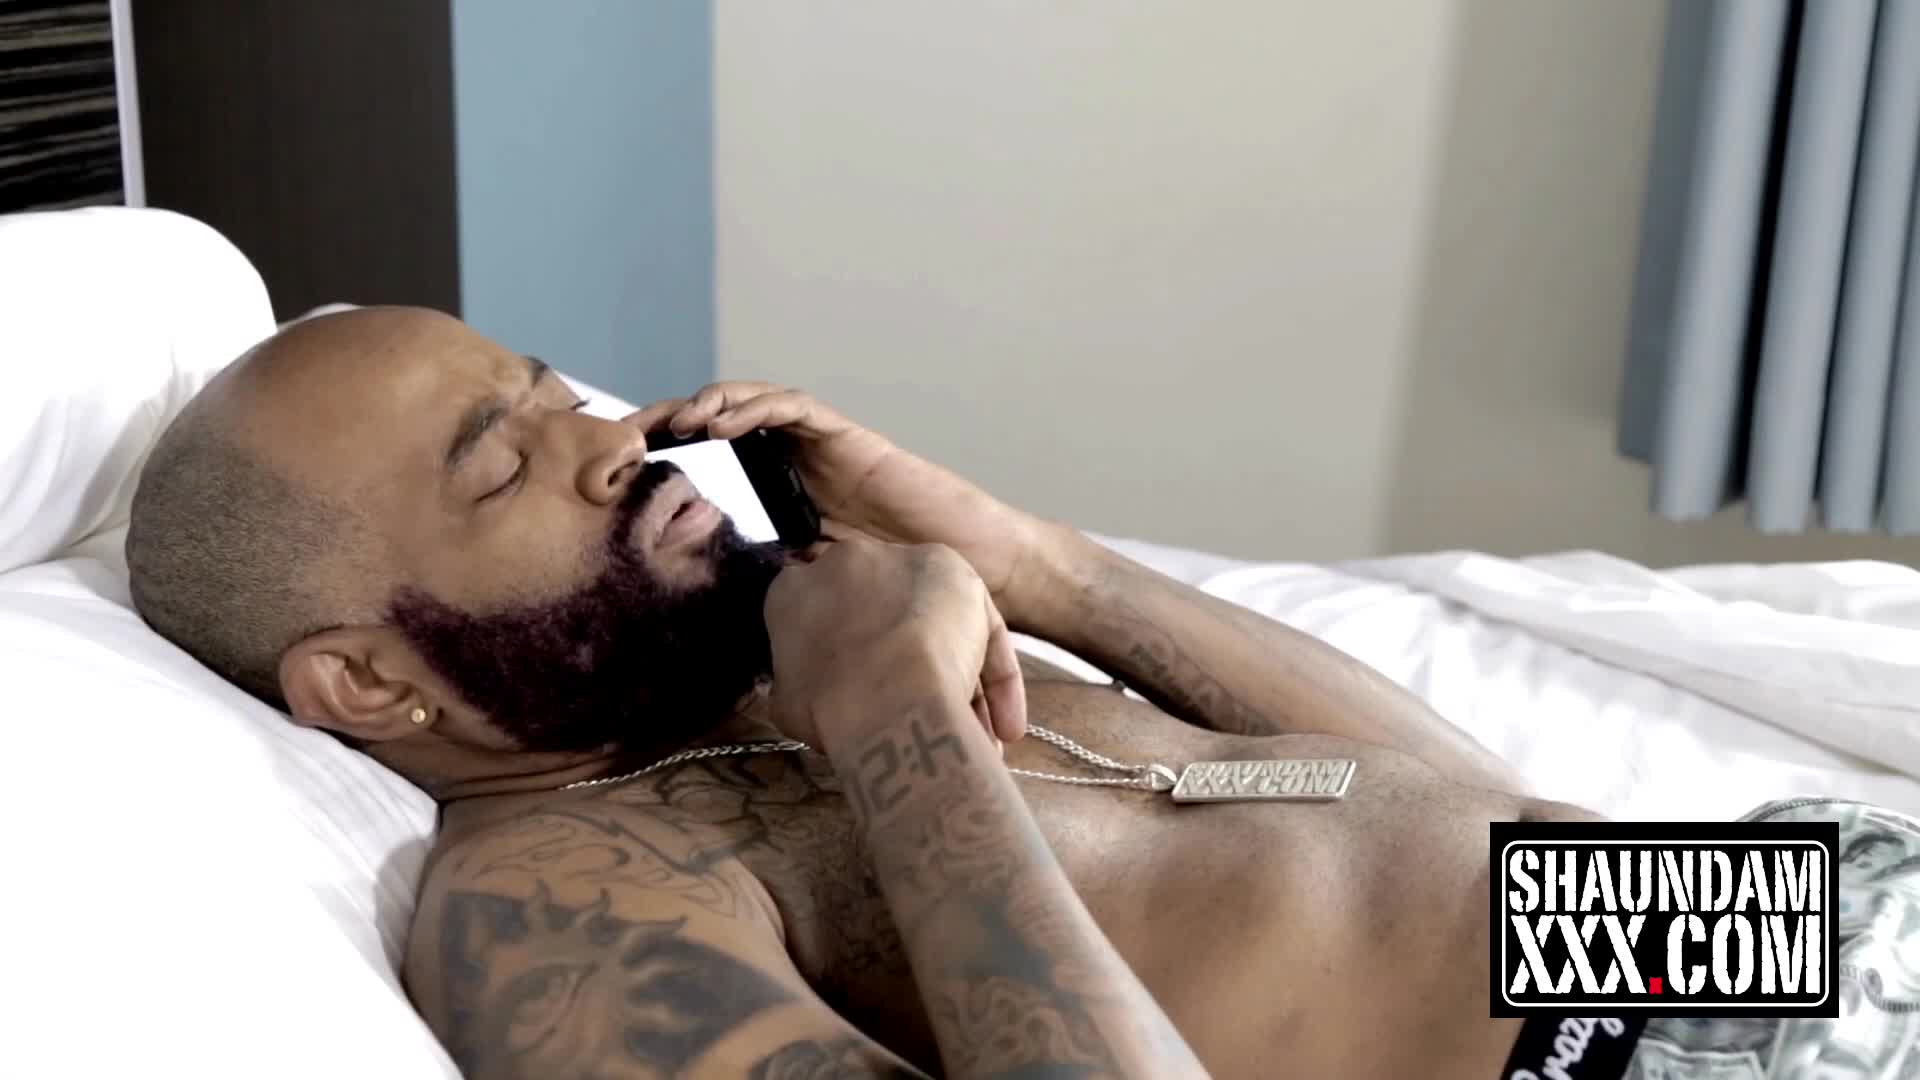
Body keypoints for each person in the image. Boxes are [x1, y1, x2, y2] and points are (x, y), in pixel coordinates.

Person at [124, 307, 1920, 1079]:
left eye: (552, 391)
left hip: (1772, 919)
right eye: (500, 464)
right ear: (367, 681)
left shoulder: (788, 651)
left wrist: (1040, 567)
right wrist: (899, 716)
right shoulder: (558, 903)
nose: (607, 441)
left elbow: (1484, 830)